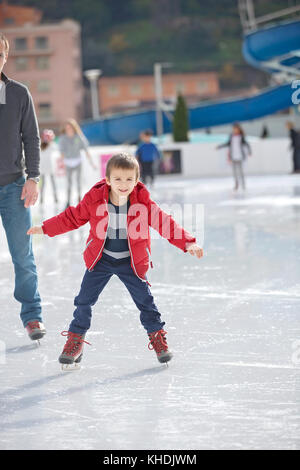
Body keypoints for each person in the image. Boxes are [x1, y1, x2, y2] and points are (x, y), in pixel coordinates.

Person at [27, 153, 203, 368]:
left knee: (146, 303)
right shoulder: (95, 199)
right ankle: (75, 341)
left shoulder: (143, 202)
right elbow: (72, 217)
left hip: (131, 262)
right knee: (83, 301)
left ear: (137, 180)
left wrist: (187, 243)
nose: (123, 184)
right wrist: (45, 228)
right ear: (108, 179)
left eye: (129, 179)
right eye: (118, 179)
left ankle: (158, 338)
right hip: (100, 260)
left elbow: (165, 223)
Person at [0, 33, 45, 341]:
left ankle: (32, 316)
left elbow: (31, 137)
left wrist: (33, 177)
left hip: (13, 187)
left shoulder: (18, 93)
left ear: (5, 56)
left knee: (23, 257)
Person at [58, 118, 97, 209]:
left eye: (70, 128)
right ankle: (68, 200)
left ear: (74, 128)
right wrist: (62, 163)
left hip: (77, 161)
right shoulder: (63, 138)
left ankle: (79, 199)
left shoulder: (78, 137)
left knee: (79, 182)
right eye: (67, 128)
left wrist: (92, 163)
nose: (69, 130)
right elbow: (61, 152)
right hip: (68, 162)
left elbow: (86, 149)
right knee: (69, 183)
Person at [217, 123, 252, 192]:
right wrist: (220, 146)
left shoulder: (241, 137)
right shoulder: (231, 136)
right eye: (234, 129)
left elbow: (247, 144)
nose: (235, 130)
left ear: (239, 129)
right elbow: (228, 144)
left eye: (236, 129)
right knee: (234, 172)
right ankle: (236, 184)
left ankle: (243, 184)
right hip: (233, 156)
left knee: (241, 171)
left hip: (240, 156)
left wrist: (250, 152)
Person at [40, 129, 59, 205]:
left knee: (53, 184)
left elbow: (57, 147)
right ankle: (41, 199)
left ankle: (55, 197)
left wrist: (51, 141)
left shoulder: (52, 145)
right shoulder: (40, 145)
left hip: (51, 168)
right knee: (42, 185)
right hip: (42, 169)